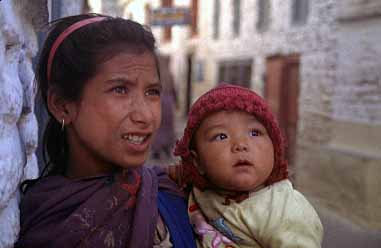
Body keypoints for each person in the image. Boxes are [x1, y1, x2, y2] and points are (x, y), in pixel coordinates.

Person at [15, 14, 196, 248]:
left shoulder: (171, 196)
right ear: (61, 105)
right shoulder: (47, 223)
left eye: (152, 92)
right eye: (120, 89)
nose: (145, 115)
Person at [173, 84, 324, 248]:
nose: (241, 144)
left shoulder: (284, 209)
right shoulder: (198, 186)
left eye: (254, 133)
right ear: (197, 162)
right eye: (221, 136)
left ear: (275, 148)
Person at [151, 55, 177, 160]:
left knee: (158, 127)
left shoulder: (156, 74)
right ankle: (165, 148)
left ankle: (157, 150)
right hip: (167, 103)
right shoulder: (169, 75)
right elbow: (174, 90)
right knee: (166, 127)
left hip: (159, 102)